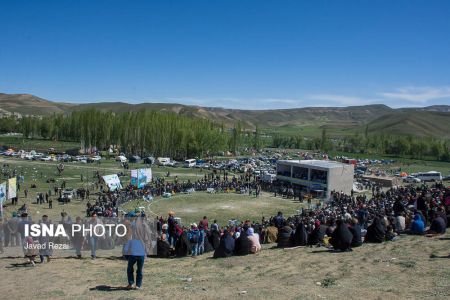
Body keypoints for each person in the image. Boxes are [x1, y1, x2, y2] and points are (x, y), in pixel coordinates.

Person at [123, 221, 147, 290]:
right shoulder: (142, 235)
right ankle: (138, 285)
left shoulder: (131, 236)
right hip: (141, 254)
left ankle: (131, 283)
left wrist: (125, 254)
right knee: (139, 270)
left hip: (133, 254)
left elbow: (126, 246)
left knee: (130, 269)